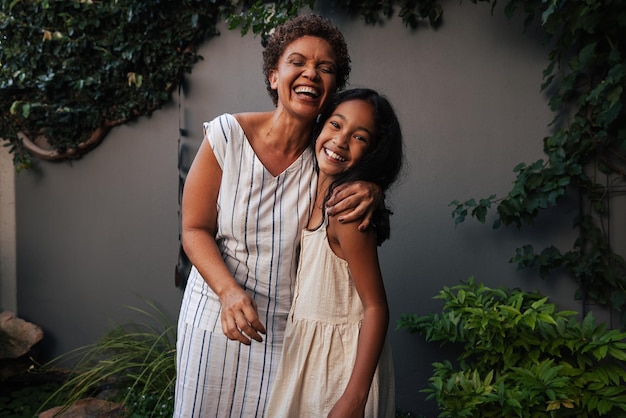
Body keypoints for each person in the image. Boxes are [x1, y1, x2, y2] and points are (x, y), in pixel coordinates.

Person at [174, 15, 383, 417]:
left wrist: (374, 186)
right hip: (214, 321)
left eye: (325, 68)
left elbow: (366, 169)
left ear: (333, 89)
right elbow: (194, 229)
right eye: (298, 62)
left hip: (288, 336)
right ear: (274, 76)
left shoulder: (329, 159)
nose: (311, 73)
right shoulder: (226, 136)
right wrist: (228, 292)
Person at [265, 88, 403, 418]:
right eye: (336, 125)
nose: (340, 141)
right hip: (309, 352)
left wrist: (353, 399)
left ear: (373, 153)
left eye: (359, 137)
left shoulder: (346, 213)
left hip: (340, 363)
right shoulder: (311, 187)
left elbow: (376, 307)